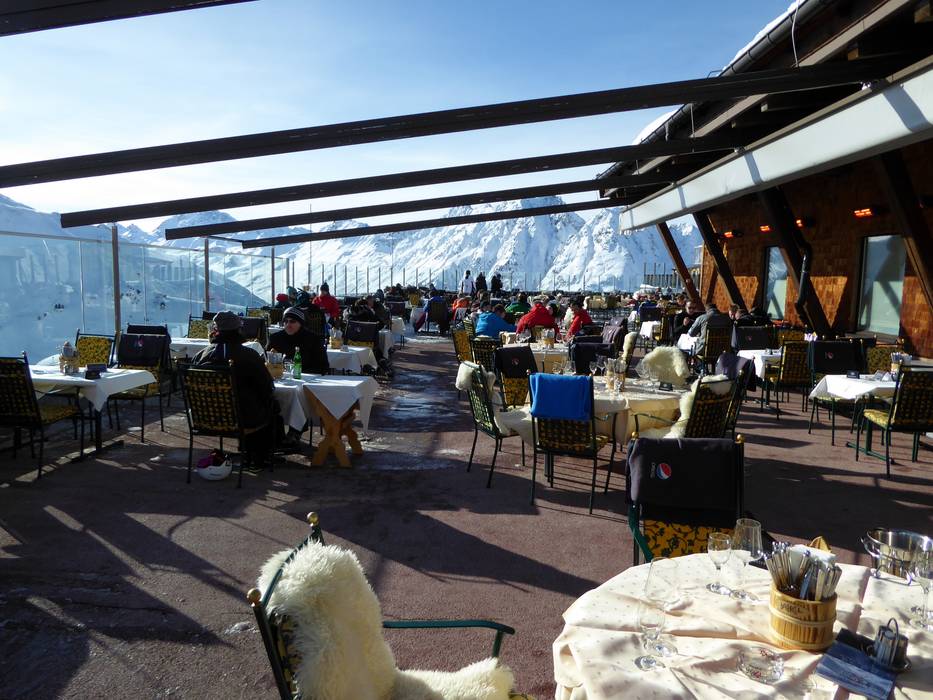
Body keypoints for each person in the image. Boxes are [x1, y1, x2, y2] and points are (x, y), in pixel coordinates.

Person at [193, 311, 277, 456]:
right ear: (239, 330)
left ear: (215, 330)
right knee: (271, 405)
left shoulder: (200, 356)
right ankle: (258, 455)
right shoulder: (249, 355)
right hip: (243, 419)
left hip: (206, 417)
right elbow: (267, 386)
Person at [266, 307, 329, 375]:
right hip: (279, 378)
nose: (288, 325)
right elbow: (265, 360)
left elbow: (323, 366)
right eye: (285, 321)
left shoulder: (313, 339)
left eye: (292, 321)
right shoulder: (275, 338)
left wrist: (298, 372)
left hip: (306, 378)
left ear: (300, 323)